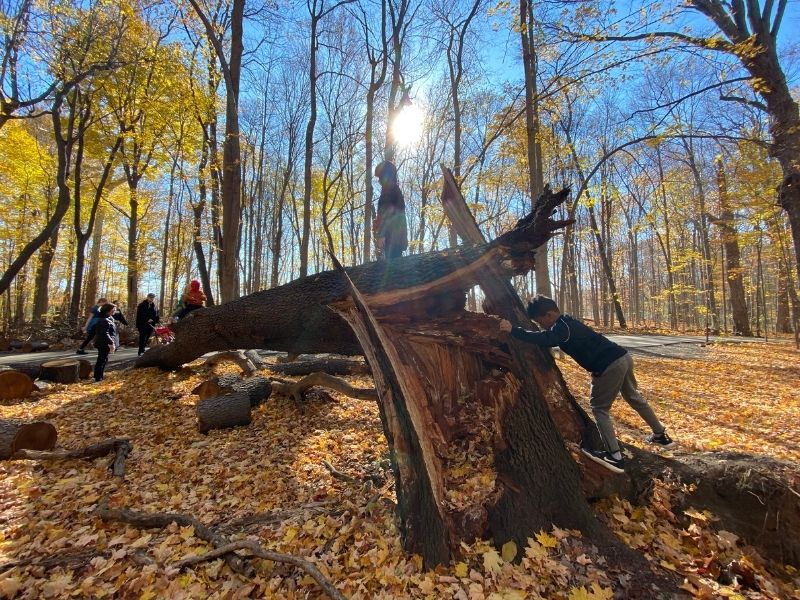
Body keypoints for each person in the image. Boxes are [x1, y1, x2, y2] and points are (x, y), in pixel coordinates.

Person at [499, 295, 675, 474]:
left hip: (610, 365)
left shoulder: (562, 327)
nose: (540, 325)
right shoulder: (568, 321)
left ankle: (614, 457)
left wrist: (514, 330)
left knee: (599, 408)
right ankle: (661, 435)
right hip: (623, 357)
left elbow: (546, 339)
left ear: (550, 315)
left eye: (540, 321)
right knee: (633, 397)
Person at [373, 161, 408, 260]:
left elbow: (389, 213)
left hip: (392, 238)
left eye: (380, 177)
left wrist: (382, 234)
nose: (379, 181)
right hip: (395, 239)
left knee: (393, 269)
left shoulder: (390, 190)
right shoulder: (394, 190)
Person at [93, 303, 116, 382]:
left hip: (104, 342)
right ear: (108, 310)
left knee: (104, 359)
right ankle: (98, 377)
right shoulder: (103, 320)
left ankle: (99, 376)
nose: (115, 311)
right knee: (102, 359)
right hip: (103, 342)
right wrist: (111, 343)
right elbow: (104, 333)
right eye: (113, 310)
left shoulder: (108, 318)